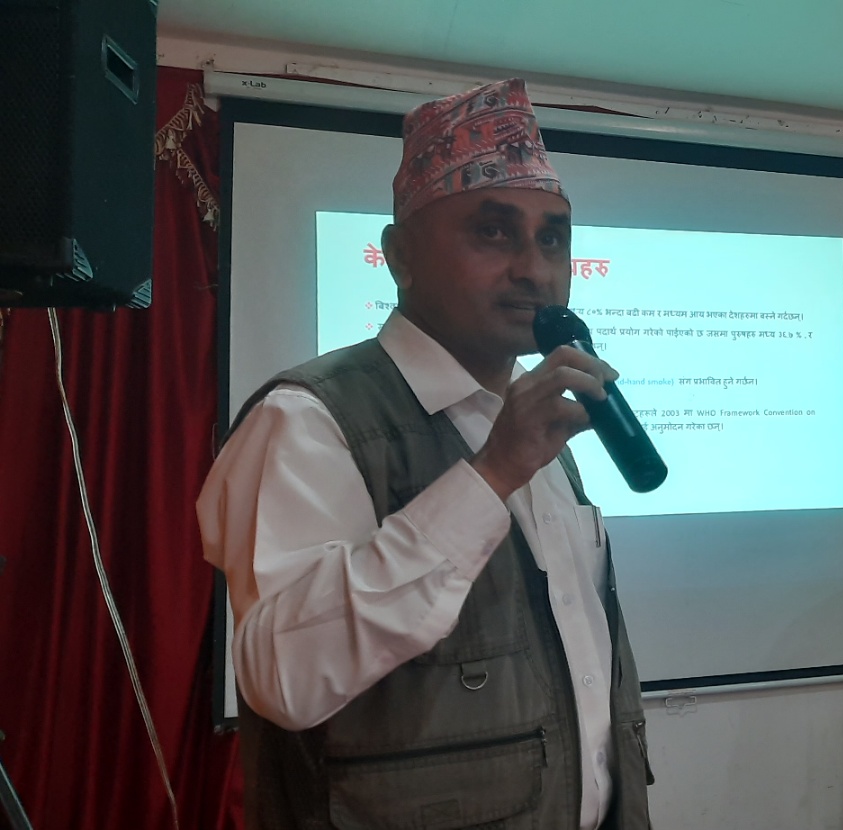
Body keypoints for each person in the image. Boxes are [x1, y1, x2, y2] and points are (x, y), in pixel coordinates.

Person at [198, 78, 651, 829]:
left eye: (553, 238)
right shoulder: (308, 420)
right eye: (494, 231)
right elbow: (285, 679)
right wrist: (490, 476)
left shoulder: (535, 428)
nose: (534, 270)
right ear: (399, 256)